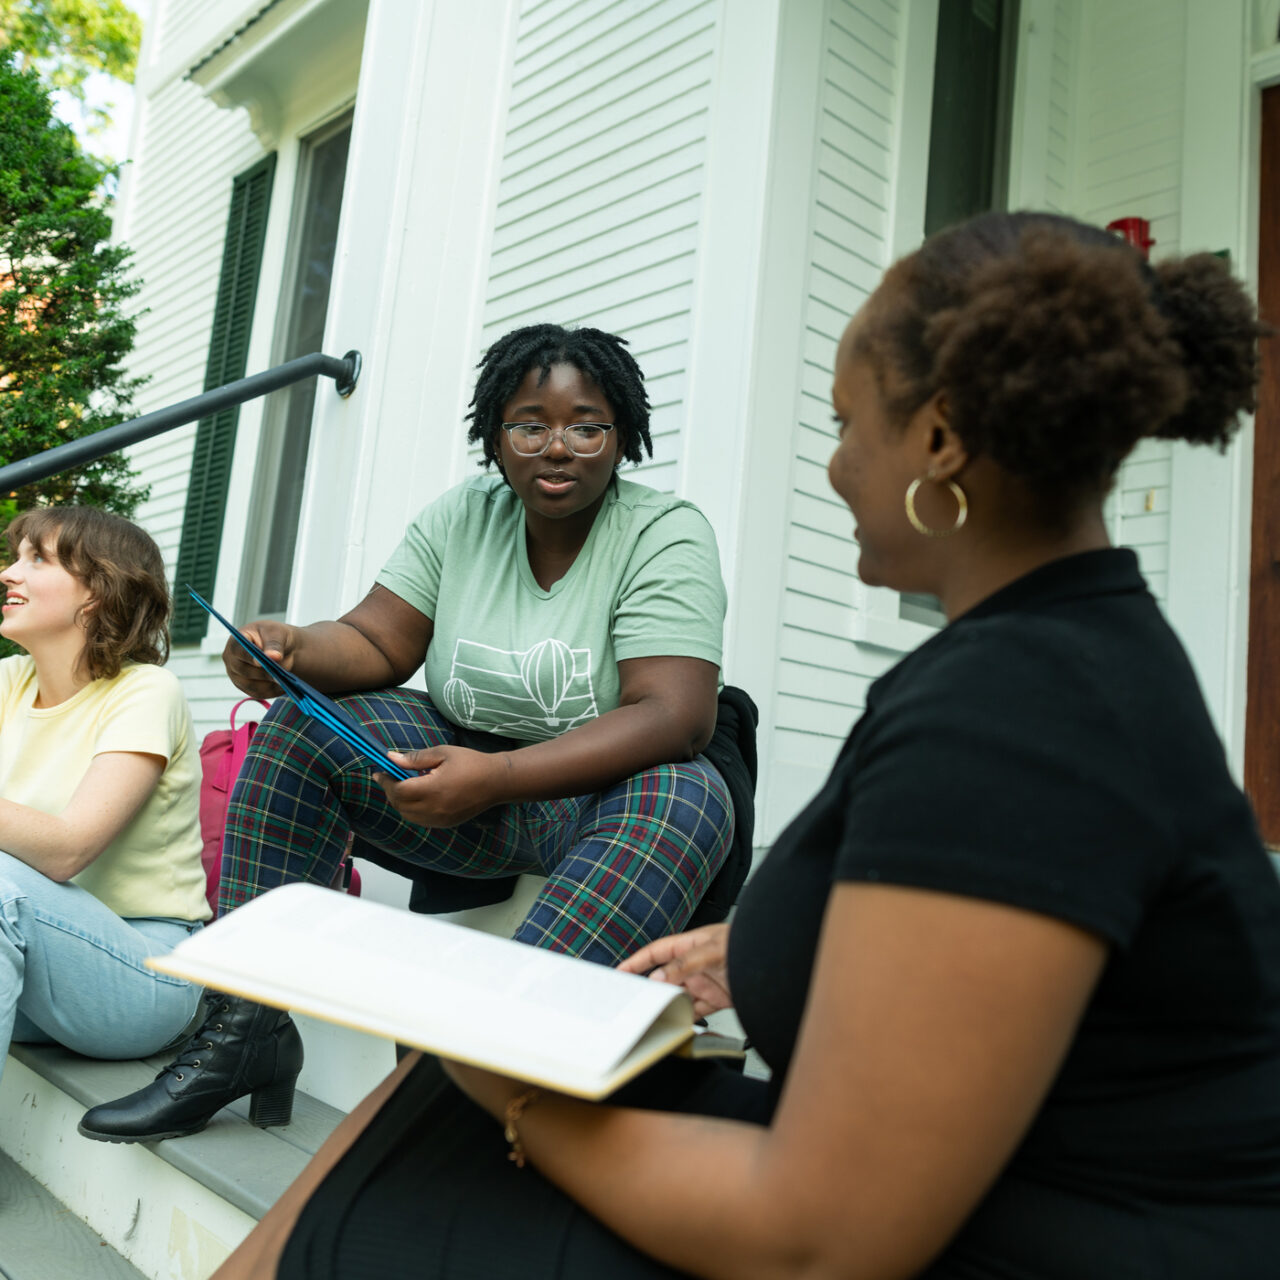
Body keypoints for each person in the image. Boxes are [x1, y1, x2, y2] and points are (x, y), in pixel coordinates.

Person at [210, 211, 1280, 1280]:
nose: (831, 467)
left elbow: (822, 1235)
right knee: (414, 1127)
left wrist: (512, 1084)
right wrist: (774, 941)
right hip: (966, 1183)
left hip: (1048, 1236)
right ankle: (259, 1045)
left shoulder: (1021, 709)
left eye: (845, 423)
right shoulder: (1058, 650)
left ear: (940, 442)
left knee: (431, 1118)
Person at [80, 323, 751, 1145]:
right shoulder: (464, 516)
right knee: (298, 722)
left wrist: (499, 777)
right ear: (494, 436)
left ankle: (484, 1075)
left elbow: (674, 714)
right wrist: (289, 648)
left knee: (689, 790)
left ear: (622, 435)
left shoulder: (665, 531)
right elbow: (376, 643)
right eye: (529, 424)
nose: (558, 447)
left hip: (607, 805)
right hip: (470, 797)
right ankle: (243, 1030)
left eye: (587, 425)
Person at [0, 507, 210, 1087]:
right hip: (34, 963)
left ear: (96, 591)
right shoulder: (8, 684)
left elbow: (69, 849)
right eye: (16, 556)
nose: (8, 573)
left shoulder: (146, 692)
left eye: (36, 558)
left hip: (148, 975)